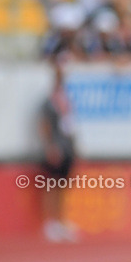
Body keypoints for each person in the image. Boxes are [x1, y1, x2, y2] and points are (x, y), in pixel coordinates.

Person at [39, 60, 79, 242]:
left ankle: (62, 220)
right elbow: (45, 125)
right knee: (51, 185)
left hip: (67, 148)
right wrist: (50, 146)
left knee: (64, 186)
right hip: (56, 148)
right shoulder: (49, 102)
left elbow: (71, 126)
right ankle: (51, 222)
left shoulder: (66, 101)